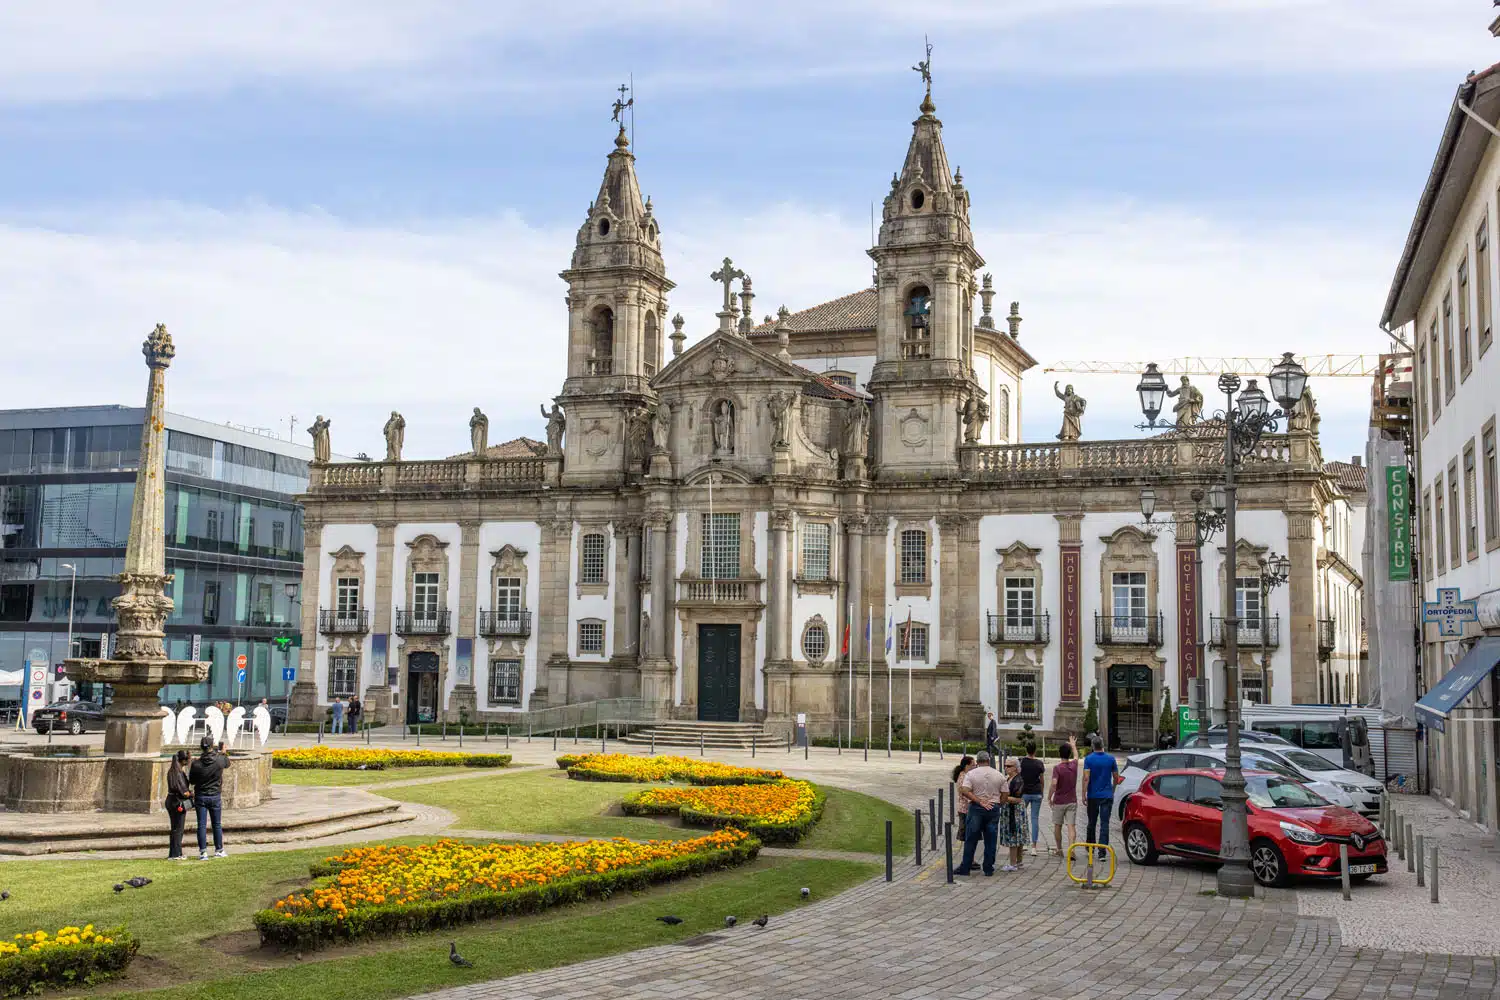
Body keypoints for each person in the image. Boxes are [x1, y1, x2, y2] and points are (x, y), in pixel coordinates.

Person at [953, 751, 1007, 877]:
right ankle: (988, 868)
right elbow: (1005, 793)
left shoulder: (971, 774)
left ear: (977, 761)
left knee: (970, 839)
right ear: (989, 760)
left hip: (976, 807)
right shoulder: (998, 775)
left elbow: (965, 790)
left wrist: (979, 800)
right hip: (993, 807)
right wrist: (999, 804)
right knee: (991, 839)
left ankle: (965, 867)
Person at [189, 737, 232, 860]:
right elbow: (227, 763)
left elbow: (192, 781)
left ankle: (203, 852)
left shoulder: (196, 764)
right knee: (217, 824)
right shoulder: (219, 760)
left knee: (201, 825)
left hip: (201, 796)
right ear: (212, 746)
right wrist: (224, 753)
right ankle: (219, 849)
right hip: (215, 795)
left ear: (201, 747)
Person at [1082, 736, 1121, 862]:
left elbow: (1086, 778)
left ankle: (1090, 848)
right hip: (1106, 795)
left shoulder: (1089, 759)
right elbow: (1116, 777)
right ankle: (1102, 852)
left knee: (1091, 822)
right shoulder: (1111, 759)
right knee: (1104, 823)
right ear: (1103, 745)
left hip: (1093, 795)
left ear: (1093, 746)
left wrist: (1084, 793)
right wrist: (1113, 789)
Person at [1049, 740, 1079, 857]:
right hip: (1072, 800)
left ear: (1059, 753)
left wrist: (1049, 797)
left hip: (1059, 801)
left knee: (1058, 825)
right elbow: (1076, 756)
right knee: (1071, 826)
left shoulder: (1057, 768)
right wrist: (1073, 745)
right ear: (1069, 754)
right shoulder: (1074, 765)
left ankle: (1059, 849)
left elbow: (1053, 784)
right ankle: (1072, 850)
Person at [998, 758, 1027, 872]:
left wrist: (1003, 797)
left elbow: (1018, 799)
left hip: (1015, 812)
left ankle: (1013, 863)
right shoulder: (1010, 778)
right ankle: (1018, 862)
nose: (1006, 767)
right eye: (1005, 765)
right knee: (1017, 836)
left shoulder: (1018, 780)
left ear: (1015, 767)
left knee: (1014, 836)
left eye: (1009, 766)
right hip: (1010, 810)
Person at [1018, 743, 1045, 856]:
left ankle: (1021, 845)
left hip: (1024, 793)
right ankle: (1034, 847)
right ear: (1035, 750)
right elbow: (1042, 780)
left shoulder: (1022, 762)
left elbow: (1018, 777)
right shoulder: (1039, 763)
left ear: (1026, 750)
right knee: (1035, 819)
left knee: (1021, 818)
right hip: (1036, 793)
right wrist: (1042, 792)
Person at [165, 749, 192, 861]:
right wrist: (191, 794)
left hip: (171, 801)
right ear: (183, 760)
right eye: (188, 760)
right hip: (177, 802)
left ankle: (175, 852)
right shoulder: (178, 773)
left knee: (175, 828)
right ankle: (175, 854)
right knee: (178, 829)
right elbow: (182, 791)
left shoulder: (173, 771)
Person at [950, 755, 975, 842]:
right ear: (966, 766)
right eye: (973, 765)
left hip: (965, 807)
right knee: (965, 832)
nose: (975, 767)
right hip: (965, 808)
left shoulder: (966, 775)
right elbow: (964, 792)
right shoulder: (963, 776)